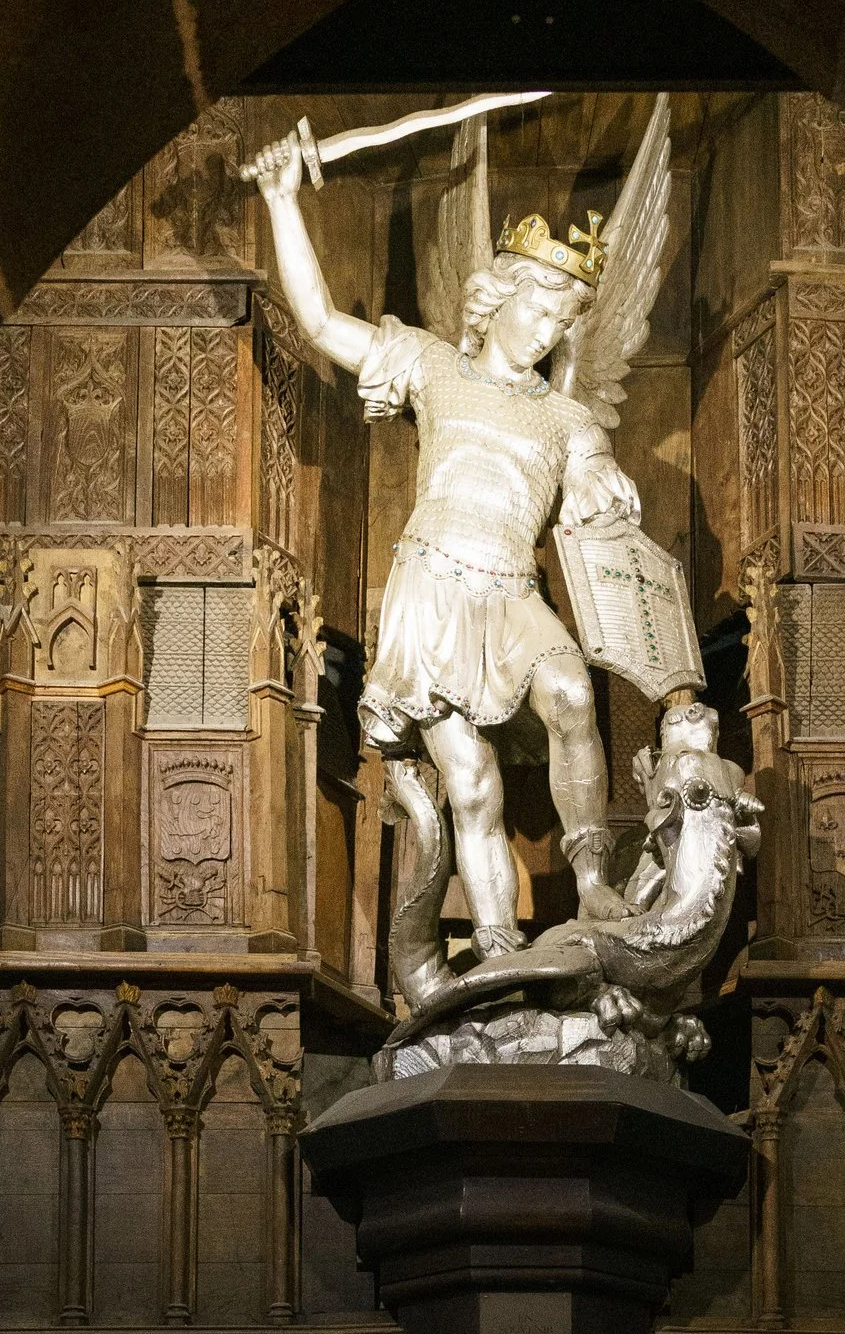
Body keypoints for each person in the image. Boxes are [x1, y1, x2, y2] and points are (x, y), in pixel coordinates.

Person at [244, 122, 646, 941]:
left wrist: (603, 479)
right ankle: (498, 951)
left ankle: (594, 878)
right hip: (432, 588)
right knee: (471, 785)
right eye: (537, 309)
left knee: (571, 694)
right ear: (498, 296)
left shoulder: (567, 416)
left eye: (559, 325)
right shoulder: (430, 365)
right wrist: (284, 200)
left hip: (512, 592)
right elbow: (320, 322)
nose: (545, 332)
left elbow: (593, 465)